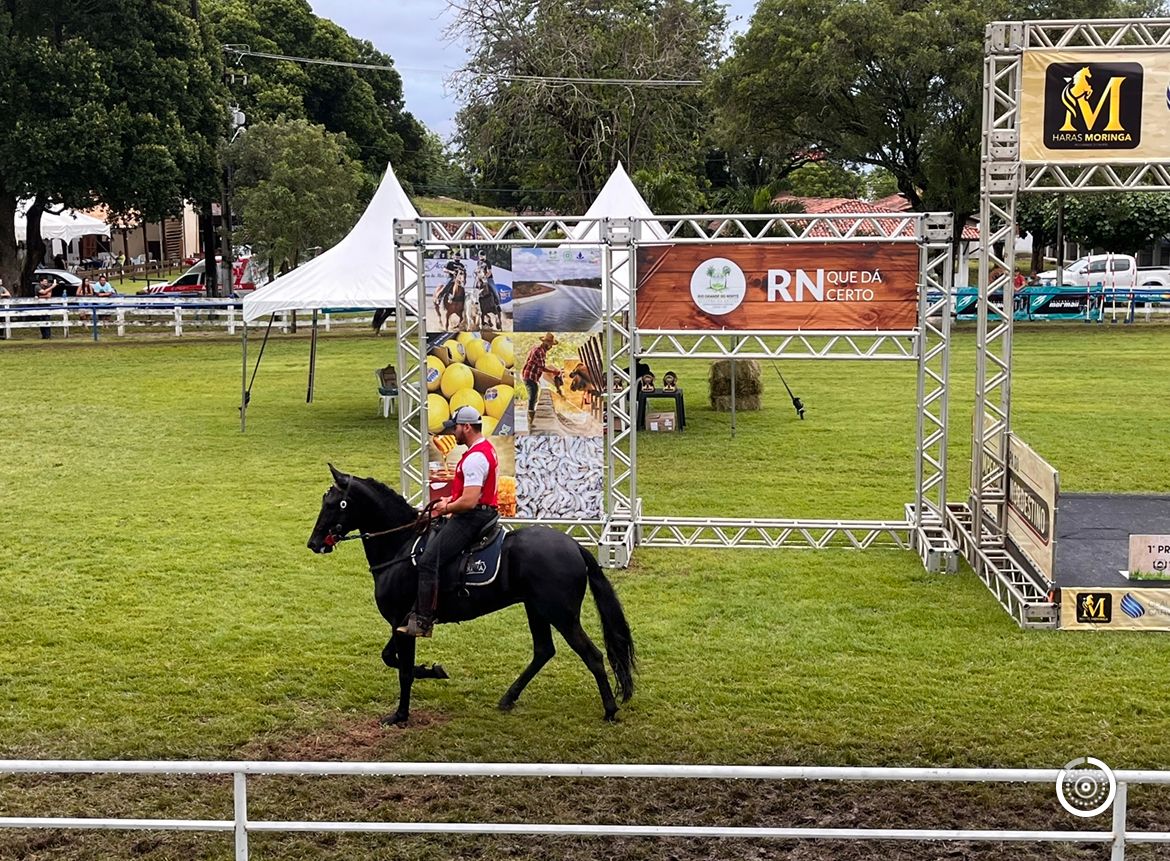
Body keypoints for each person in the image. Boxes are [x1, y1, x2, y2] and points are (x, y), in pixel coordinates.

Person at [398, 405, 499, 638]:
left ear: (467, 427)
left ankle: (423, 621)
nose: (452, 433)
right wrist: (451, 499)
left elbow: (470, 501)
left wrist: (446, 507)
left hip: (473, 517)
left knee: (428, 561)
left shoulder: (475, 458)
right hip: (481, 511)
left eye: (455, 428)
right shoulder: (484, 449)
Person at [521, 332, 561, 428]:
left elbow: (539, 366)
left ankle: (531, 419)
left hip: (531, 376)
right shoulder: (539, 351)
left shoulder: (539, 350)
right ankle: (530, 421)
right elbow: (541, 367)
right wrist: (554, 372)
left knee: (534, 397)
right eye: (550, 345)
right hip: (529, 376)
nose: (550, 347)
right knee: (533, 397)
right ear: (545, 343)